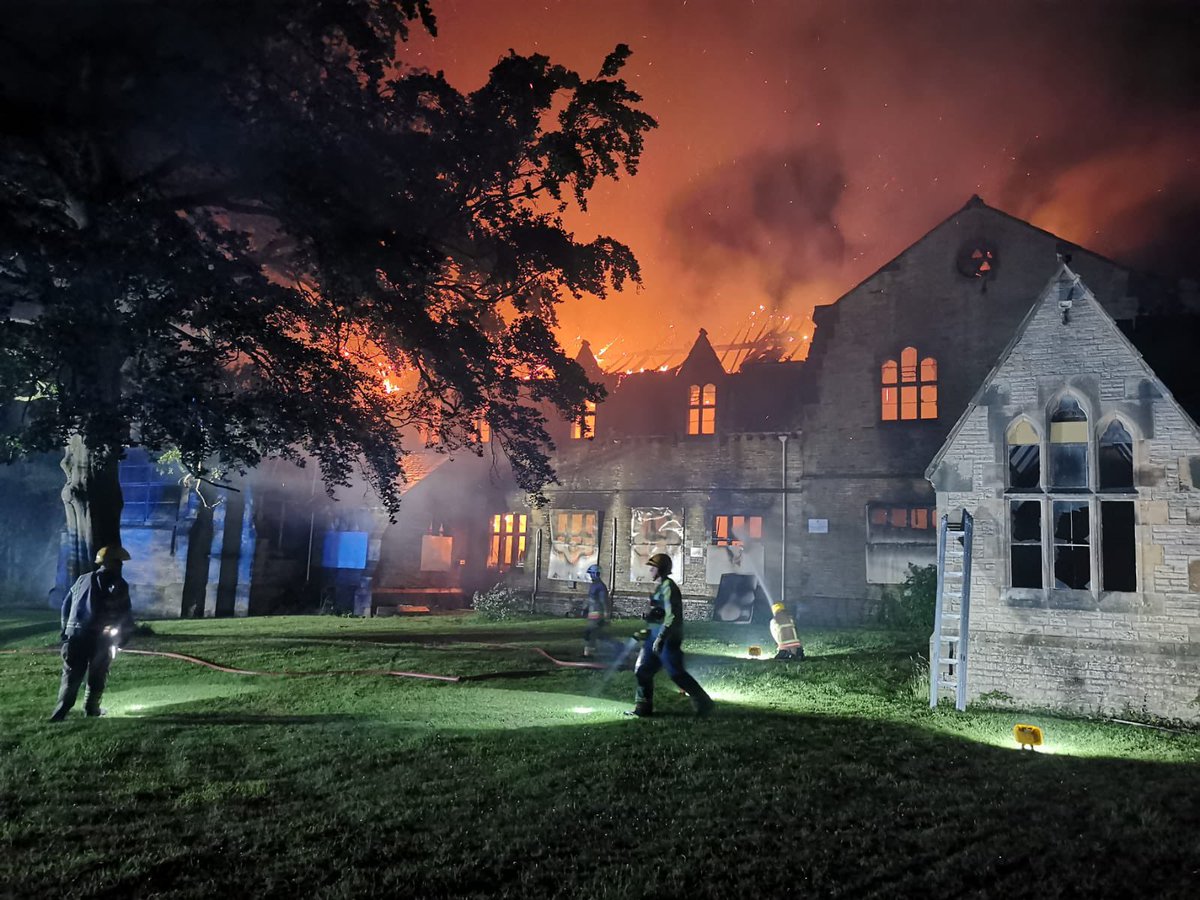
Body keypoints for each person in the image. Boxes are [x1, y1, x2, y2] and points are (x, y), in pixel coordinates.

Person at [49, 545, 135, 722]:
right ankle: (91, 708)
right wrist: (123, 638)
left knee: (71, 675)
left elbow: (66, 605)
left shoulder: (82, 580)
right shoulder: (117, 583)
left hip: (74, 637)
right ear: (113, 563)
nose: (121, 565)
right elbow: (123, 612)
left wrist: (66, 630)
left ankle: (60, 712)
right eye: (119, 562)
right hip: (99, 639)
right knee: (98, 672)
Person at [627, 552, 714, 718]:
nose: (650, 571)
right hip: (654, 636)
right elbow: (658, 614)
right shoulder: (660, 587)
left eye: (653, 567)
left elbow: (671, 615)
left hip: (667, 638)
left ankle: (704, 702)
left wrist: (660, 638)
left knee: (676, 673)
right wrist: (646, 632)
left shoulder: (668, 587)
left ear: (660, 569)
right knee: (642, 671)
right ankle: (642, 708)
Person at [582, 563, 611, 658]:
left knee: (592, 633)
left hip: (597, 613)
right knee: (593, 633)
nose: (590, 576)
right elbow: (590, 598)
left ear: (595, 574)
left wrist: (606, 615)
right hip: (592, 613)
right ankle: (591, 650)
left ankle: (589, 652)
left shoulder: (600, 586)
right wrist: (585, 608)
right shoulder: (594, 585)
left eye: (591, 574)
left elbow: (604, 601)